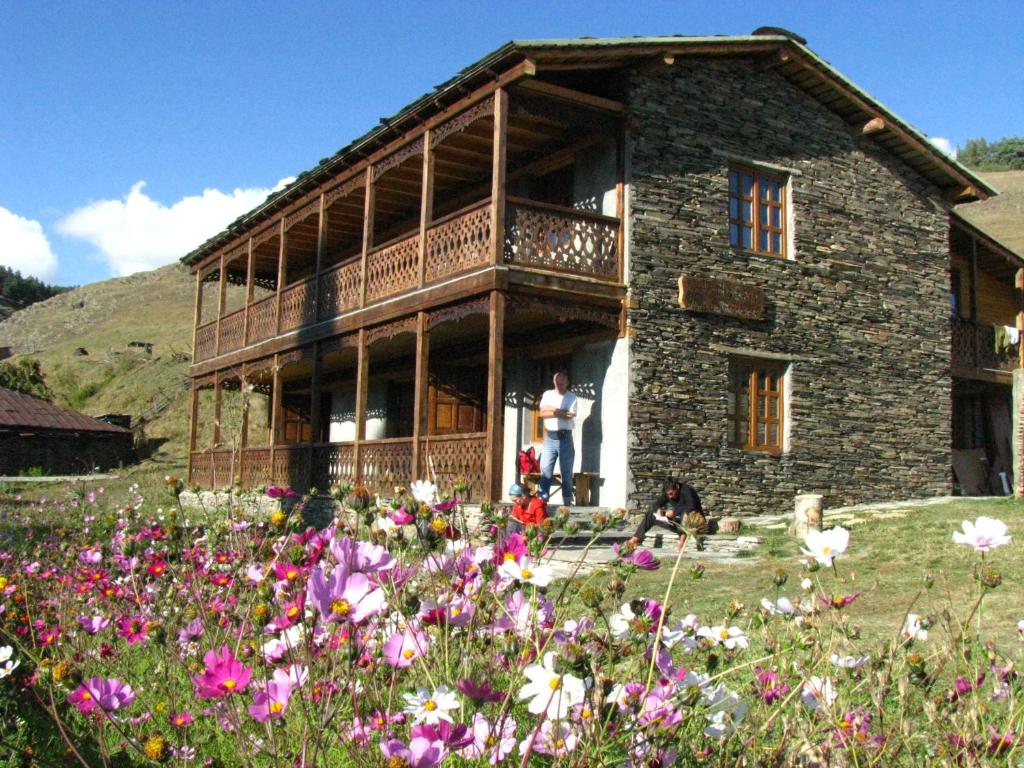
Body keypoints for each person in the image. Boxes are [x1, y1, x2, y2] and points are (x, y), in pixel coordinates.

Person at [628, 478, 704, 551]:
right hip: (678, 524)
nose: (670, 496)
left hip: (693, 524)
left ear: (677, 487)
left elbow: (691, 507)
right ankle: (635, 538)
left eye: (671, 493)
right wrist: (658, 510)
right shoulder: (668, 493)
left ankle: (682, 539)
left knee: (685, 514)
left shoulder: (687, 491)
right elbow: (656, 504)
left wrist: (674, 512)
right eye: (668, 494)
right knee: (651, 514)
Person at [537, 370, 577, 506]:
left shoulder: (571, 397)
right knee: (545, 469)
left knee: (566, 471)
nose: (559, 385)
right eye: (557, 382)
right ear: (554, 382)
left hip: (565, 437)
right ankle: (542, 499)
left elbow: (569, 415)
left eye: (562, 382)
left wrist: (551, 409)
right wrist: (558, 411)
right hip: (550, 437)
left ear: (567, 382)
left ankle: (567, 500)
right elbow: (542, 413)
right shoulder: (547, 394)